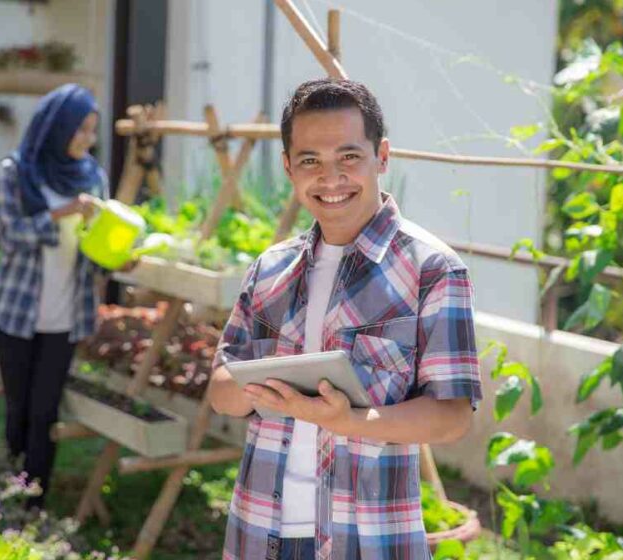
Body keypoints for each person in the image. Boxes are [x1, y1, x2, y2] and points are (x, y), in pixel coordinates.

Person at [207, 78, 483, 560]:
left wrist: (350, 420)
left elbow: (452, 416)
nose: (330, 179)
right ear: (290, 168)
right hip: (259, 533)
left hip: (369, 542)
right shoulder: (270, 269)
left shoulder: (431, 270)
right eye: (310, 160)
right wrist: (261, 385)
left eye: (349, 157)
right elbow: (219, 391)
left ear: (383, 157)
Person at [0, 84, 113, 509]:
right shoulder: (16, 171)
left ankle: (34, 501)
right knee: (18, 409)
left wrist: (119, 257)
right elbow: (12, 236)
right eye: (80, 130)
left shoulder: (93, 176)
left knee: (45, 413)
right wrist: (60, 213)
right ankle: (10, 487)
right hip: (16, 313)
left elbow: (98, 244)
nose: (87, 140)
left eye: (92, 131)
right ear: (57, 128)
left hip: (67, 315)